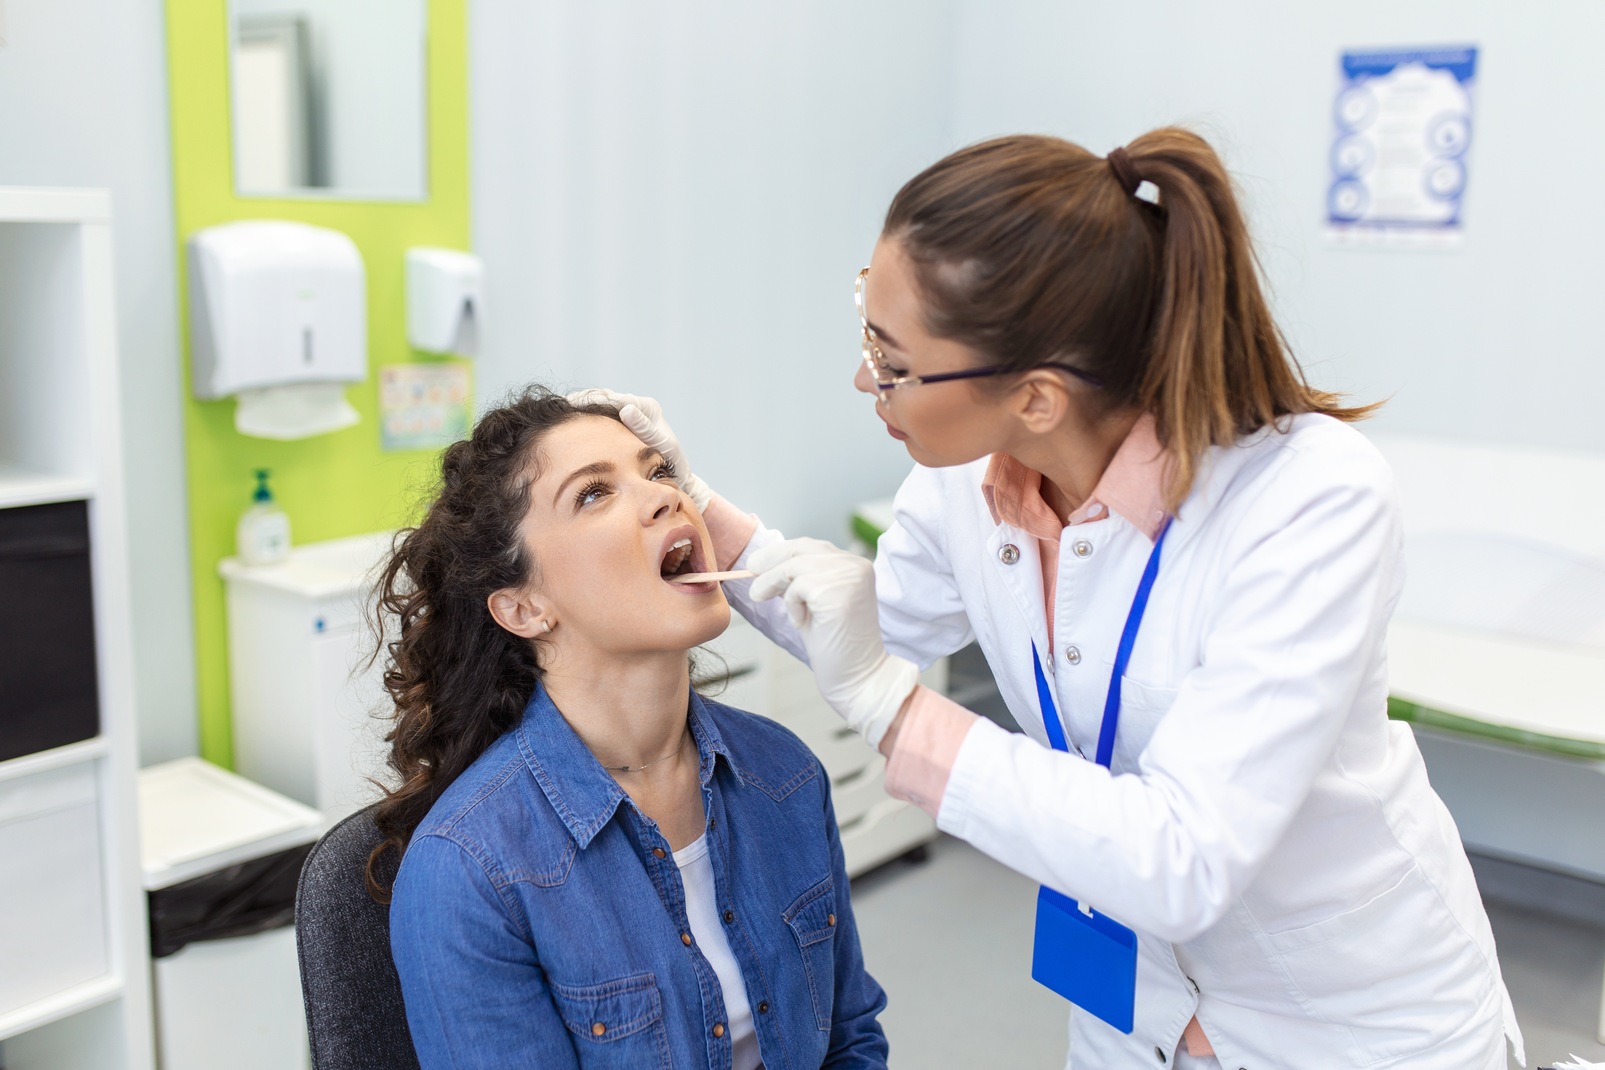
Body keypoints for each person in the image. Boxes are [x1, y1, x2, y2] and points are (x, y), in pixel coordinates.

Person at [582, 129, 1525, 1069]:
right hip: (1132, 1006)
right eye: (866, 327)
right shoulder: (970, 483)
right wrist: (697, 507)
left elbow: (1182, 857)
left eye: (894, 358)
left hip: (1351, 1021)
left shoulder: (1308, 498)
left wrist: (888, 707)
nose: (864, 377)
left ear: (1035, 398)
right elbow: (878, 620)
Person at [370, 388, 888, 1069]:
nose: (665, 497)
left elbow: (849, 1037)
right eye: (592, 494)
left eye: (657, 471)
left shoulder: (783, 772)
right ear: (523, 607)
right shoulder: (467, 871)